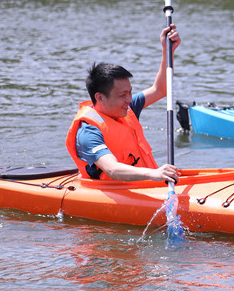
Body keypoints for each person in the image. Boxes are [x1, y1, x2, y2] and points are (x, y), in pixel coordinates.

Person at [65, 25, 182, 183]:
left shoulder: (126, 108)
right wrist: (153, 174)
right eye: (122, 95)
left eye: (130, 92)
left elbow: (160, 89)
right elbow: (112, 169)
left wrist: (167, 50)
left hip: (148, 185)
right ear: (100, 97)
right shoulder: (88, 132)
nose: (129, 99)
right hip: (117, 193)